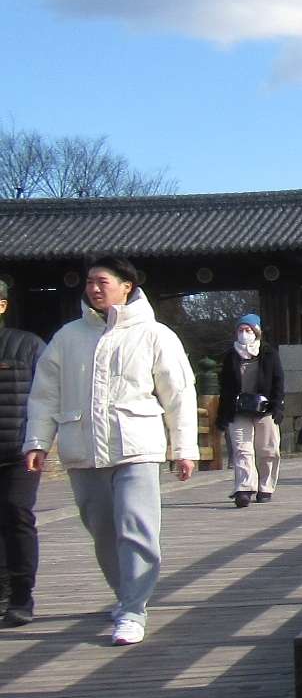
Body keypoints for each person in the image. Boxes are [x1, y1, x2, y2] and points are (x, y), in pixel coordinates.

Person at [23, 256, 196, 647]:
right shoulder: (67, 337)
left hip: (136, 446)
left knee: (136, 528)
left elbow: (179, 395)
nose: (93, 288)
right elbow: (45, 395)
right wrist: (36, 442)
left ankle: (134, 609)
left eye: (102, 281)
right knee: (102, 530)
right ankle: (126, 596)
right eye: (89, 282)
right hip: (82, 450)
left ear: (127, 287)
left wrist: (184, 449)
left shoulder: (155, 334)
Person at [0, 278, 44, 627]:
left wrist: (40, 440)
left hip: (19, 449)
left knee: (16, 513)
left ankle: (20, 594)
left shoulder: (27, 346)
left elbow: (48, 396)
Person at [218, 313, 284, 507]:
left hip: (264, 408)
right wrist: (222, 414)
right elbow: (225, 387)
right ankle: (245, 488)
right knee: (242, 449)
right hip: (238, 408)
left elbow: (278, 381)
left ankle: (266, 486)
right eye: (240, 330)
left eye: (248, 330)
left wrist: (278, 405)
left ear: (256, 332)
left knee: (267, 449)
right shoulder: (231, 356)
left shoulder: (269, 354)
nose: (244, 334)